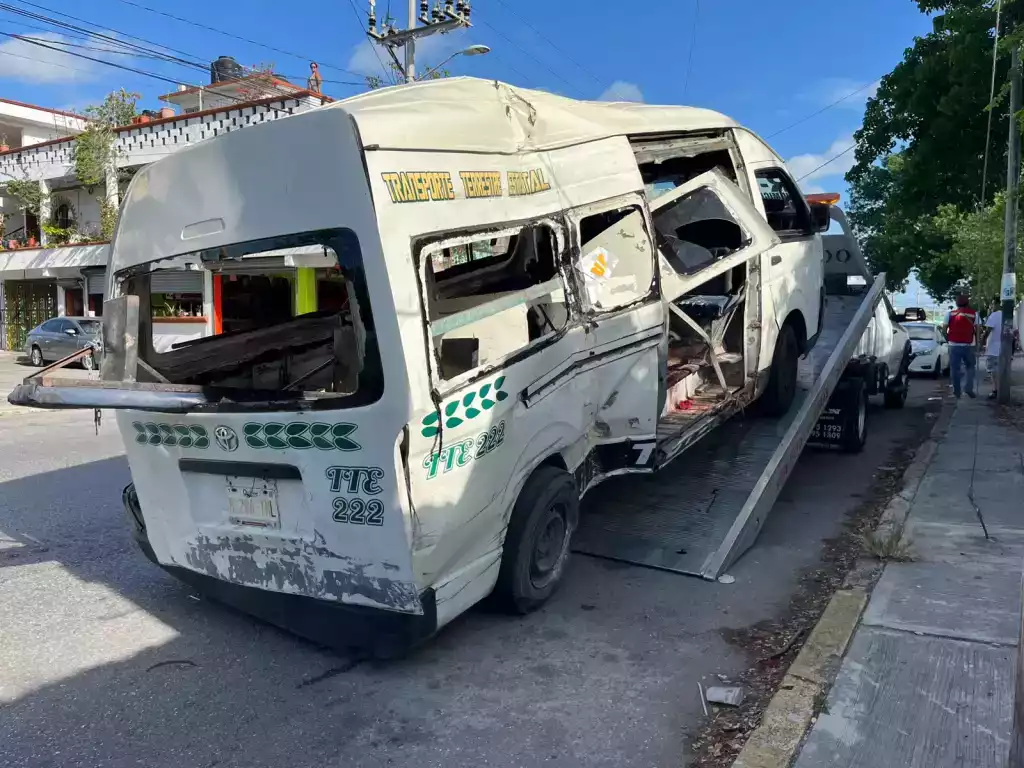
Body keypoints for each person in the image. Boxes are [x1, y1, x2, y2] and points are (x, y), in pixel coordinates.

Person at [944, 294, 978, 399]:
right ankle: (968, 388)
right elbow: (978, 329)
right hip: (969, 345)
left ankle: (957, 392)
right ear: (968, 303)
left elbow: (944, 329)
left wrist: (948, 339)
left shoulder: (950, 314)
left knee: (955, 369)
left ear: (956, 303)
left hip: (953, 345)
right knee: (970, 367)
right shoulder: (974, 314)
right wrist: (979, 343)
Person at [981, 297, 1004, 399]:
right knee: (1001, 370)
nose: (992, 306)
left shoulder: (994, 315)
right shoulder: (1009, 315)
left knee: (993, 371)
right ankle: (1001, 389)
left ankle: (995, 390)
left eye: (993, 304)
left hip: (994, 348)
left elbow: (988, 330)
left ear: (998, 304)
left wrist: (981, 341)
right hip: (1005, 349)